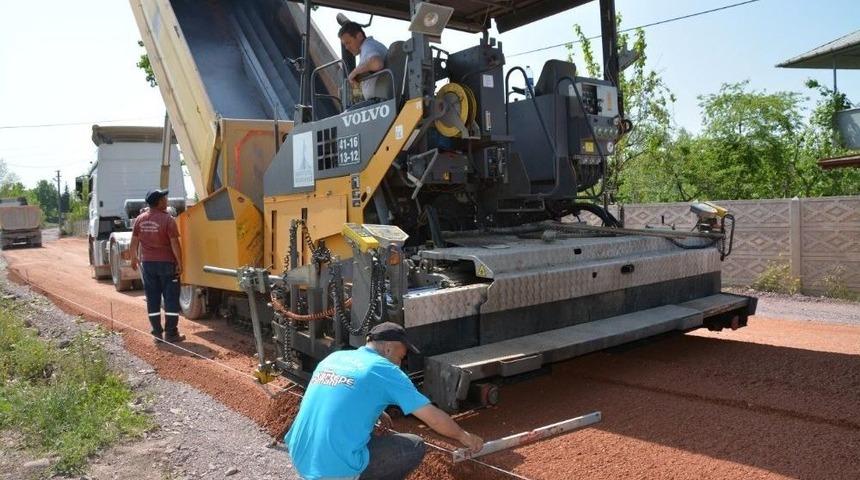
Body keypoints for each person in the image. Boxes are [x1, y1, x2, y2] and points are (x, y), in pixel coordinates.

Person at [286, 322, 484, 480]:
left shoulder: (335, 358)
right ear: (388, 349)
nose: (400, 363)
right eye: (401, 356)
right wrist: (464, 436)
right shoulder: (385, 370)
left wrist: (377, 411)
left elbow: (344, 393)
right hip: (334, 469)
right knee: (414, 446)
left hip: (300, 456)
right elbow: (432, 417)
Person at [129, 189, 184, 344]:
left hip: (148, 265)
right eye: (164, 198)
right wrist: (180, 263)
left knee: (152, 299)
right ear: (159, 202)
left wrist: (133, 258)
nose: (167, 200)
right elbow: (175, 244)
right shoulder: (168, 220)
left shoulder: (140, 219)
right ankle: (171, 334)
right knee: (171, 299)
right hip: (167, 264)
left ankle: (157, 334)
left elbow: (134, 241)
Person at [338, 21, 388, 102]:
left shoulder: (368, 46)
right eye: (345, 45)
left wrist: (354, 72)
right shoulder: (371, 46)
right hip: (377, 100)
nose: (347, 48)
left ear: (359, 36)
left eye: (348, 42)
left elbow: (377, 63)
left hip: (377, 101)